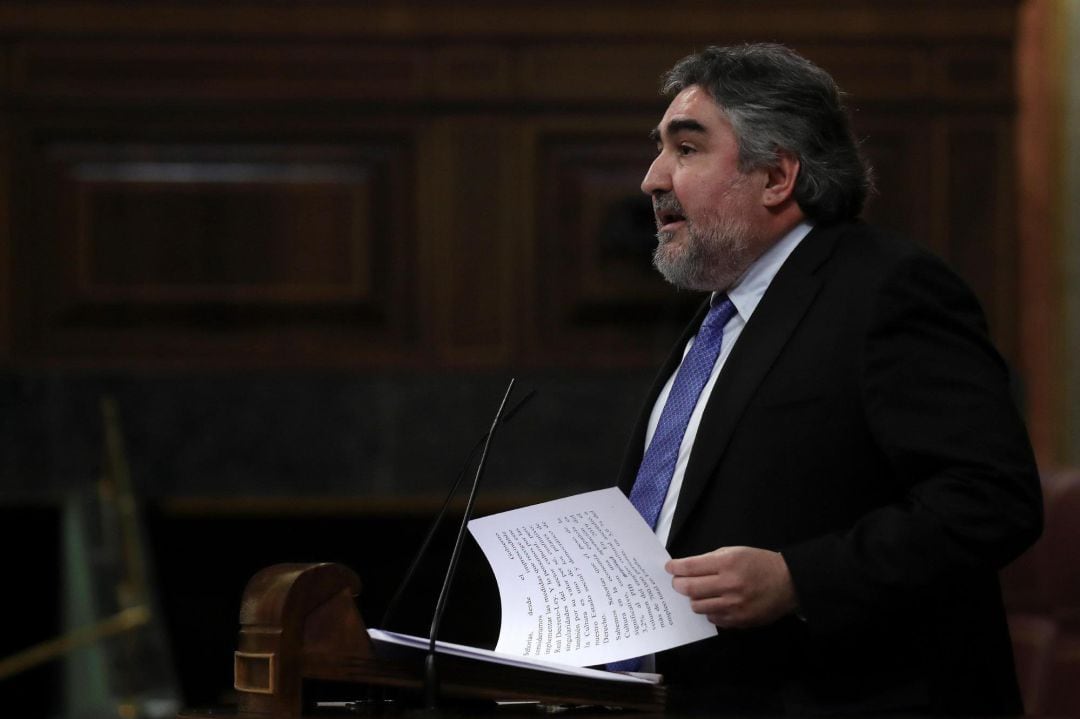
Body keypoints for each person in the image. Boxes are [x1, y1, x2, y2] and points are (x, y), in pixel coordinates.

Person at [615, 43, 1043, 715]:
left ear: (778, 175)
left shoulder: (888, 289)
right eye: (660, 148)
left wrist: (798, 579)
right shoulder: (714, 322)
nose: (652, 178)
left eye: (687, 149)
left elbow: (992, 499)